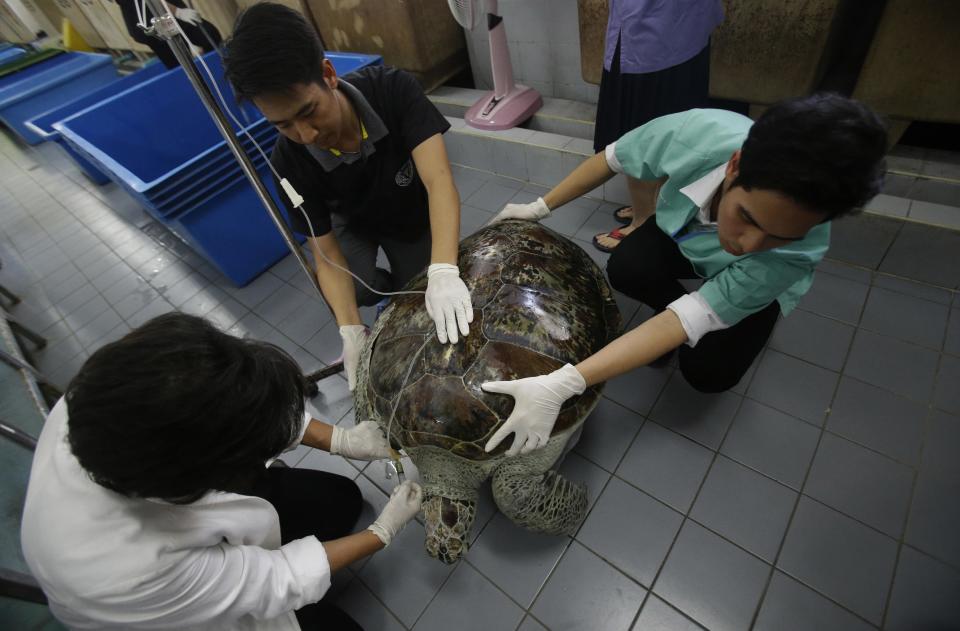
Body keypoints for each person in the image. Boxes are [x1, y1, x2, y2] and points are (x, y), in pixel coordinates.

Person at [483, 94, 887, 456]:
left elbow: (692, 315)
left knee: (707, 372)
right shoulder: (697, 134)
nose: (749, 243)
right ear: (734, 166)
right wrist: (539, 207)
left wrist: (562, 384)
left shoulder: (795, 254)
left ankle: (732, 322)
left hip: (754, 282)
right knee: (627, 266)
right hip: (685, 232)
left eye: (779, 237)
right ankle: (660, 330)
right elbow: (612, 158)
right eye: (746, 217)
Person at [21, 313, 422, 630]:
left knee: (340, 500)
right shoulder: (124, 573)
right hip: (175, 612)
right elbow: (276, 579)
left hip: (185, 489)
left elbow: (233, 404)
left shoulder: (110, 391)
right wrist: (381, 533)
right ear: (205, 476)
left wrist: (341, 440)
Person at [223, 3, 472, 393]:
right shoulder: (288, 161)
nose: (305, 134)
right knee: (352, 292)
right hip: (350, 224)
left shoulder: (393, 90)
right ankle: (378, 299)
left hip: (409, 212)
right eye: (283, 124)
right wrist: (351, 330)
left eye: (308, 112)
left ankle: (411, 281)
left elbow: (440, 183)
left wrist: (444, 270)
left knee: (425, 292)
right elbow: (325, 253)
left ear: (328, 74)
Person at [592, 0, 723, 253]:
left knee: (639, 133)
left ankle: (643, 220)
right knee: (671, 121)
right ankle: (652, 207)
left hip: (651, 32)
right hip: (685, 25)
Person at [115, 0, 223, 68]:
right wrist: (177, 12)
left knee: (210, 36)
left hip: (160, 15)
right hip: (153, 17)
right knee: (180, 61)